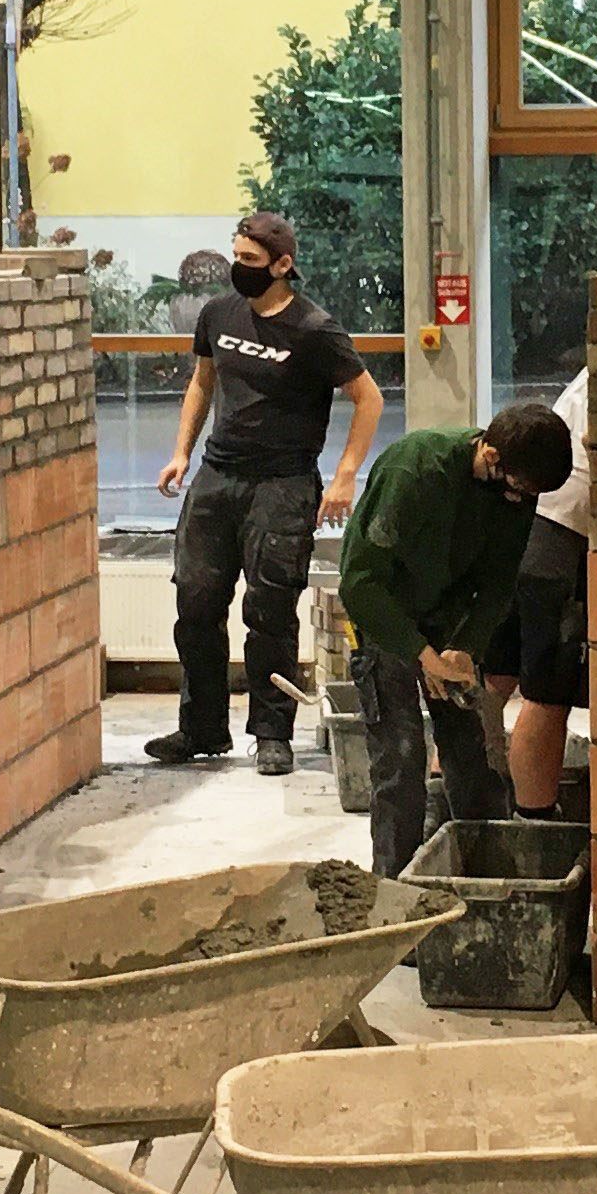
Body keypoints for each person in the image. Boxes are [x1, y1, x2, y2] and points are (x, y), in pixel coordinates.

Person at [150, 211, 383, 777]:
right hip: (217, 477)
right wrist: (182, 451)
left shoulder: (314, 329)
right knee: (197, 601)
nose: (239, 269)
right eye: (236, 257)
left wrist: (347, 472)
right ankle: (202, 727)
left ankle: (272, 732)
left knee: (270, 612)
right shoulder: (217, 314)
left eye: (251, 262)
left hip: (282, 486)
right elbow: (203, 381)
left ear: (283, 266)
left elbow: (368, 398)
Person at [339, 400, 575, 877]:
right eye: (520, 489)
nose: (524, 500)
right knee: (400, 763)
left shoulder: (517, 491)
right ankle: (394, 891)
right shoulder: (416, 470)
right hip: (388, 616)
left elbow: (498, 583)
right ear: (491, 456)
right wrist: (421, 654)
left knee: (474, 757)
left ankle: (487, 880)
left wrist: (466, 647)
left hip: (449, 620)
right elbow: (359, 584)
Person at [486, 370, 594, 816]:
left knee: (498, 677)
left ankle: (455, 801)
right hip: (559, 538)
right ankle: (534, 824)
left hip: (528, 527)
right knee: (549, 690)